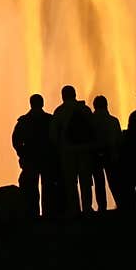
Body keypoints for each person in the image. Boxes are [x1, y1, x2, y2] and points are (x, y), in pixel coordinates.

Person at [50, 85, 96, 217]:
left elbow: (53, 134)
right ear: (75, 94)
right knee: (85, 180)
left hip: (67, 152)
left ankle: (74, 208)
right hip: (85, 151)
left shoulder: (60, 111)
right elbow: (93, 129)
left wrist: (59, 147)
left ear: (63, 96)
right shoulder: (85, 109)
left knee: (71, 181)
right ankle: (87, 207)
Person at [12, 94, 56, 218]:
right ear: (42, 104)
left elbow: (15, 140)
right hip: (46, 158)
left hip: (30, 159)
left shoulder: (24, 121)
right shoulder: (49, 119)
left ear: (31, 104)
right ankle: (48, 213)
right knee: (48, 187)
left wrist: (22, 153)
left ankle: (33, 214)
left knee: (31, 189)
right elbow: (55, 138)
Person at [91, 95, 123, 211]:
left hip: (95, 155)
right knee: (114, 180)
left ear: (94, 106)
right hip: (111, 153)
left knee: (99, 182)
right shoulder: (113, 121)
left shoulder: (90, 121)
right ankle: (120, 203)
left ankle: (102, 207)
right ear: (106, 105)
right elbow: (119, 139)